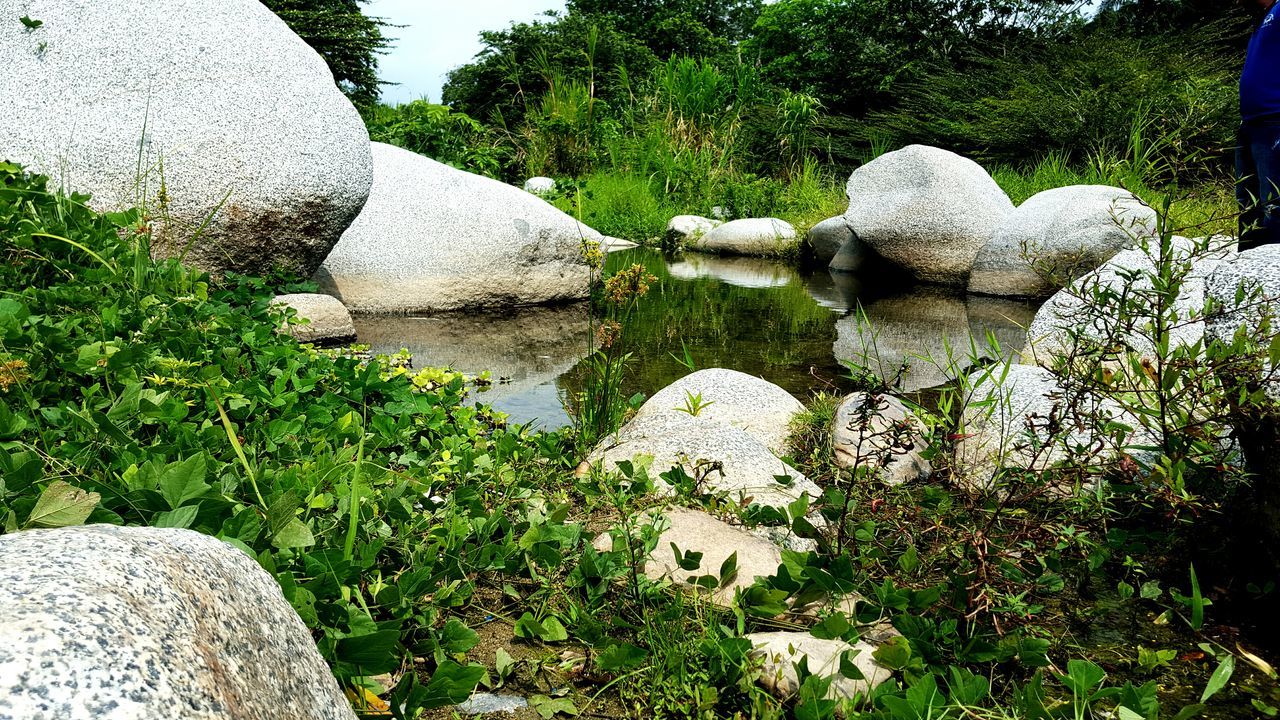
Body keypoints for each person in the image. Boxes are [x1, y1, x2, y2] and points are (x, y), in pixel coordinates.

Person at [1238, 0, 1280, 251]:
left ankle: (1273, 282)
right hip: (1250, 124)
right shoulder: (1261, 20)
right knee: (1247, 203)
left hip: (1275, 120)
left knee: (1275, 203)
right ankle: (1245, 274)